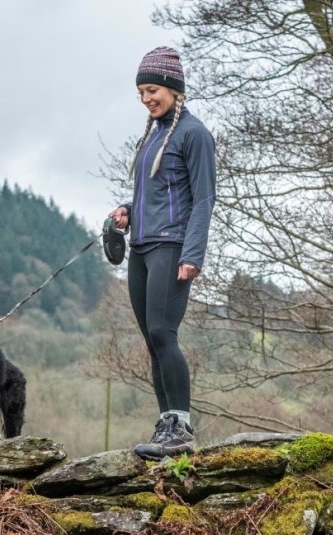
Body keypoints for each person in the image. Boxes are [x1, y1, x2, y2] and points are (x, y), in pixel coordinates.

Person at [108, 46, 216, 460]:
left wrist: (193, 254)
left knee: (162, 332)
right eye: (140, 92)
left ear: (173, 88)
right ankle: (166, 425)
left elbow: (203, 199)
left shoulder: (194, 134)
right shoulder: (154, 137)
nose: (146, 98)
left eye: (152, 89)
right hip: (141, 247)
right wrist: (128, 211)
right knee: (151, 341)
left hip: (173, 247)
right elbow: (156, 194)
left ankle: (182, 427)